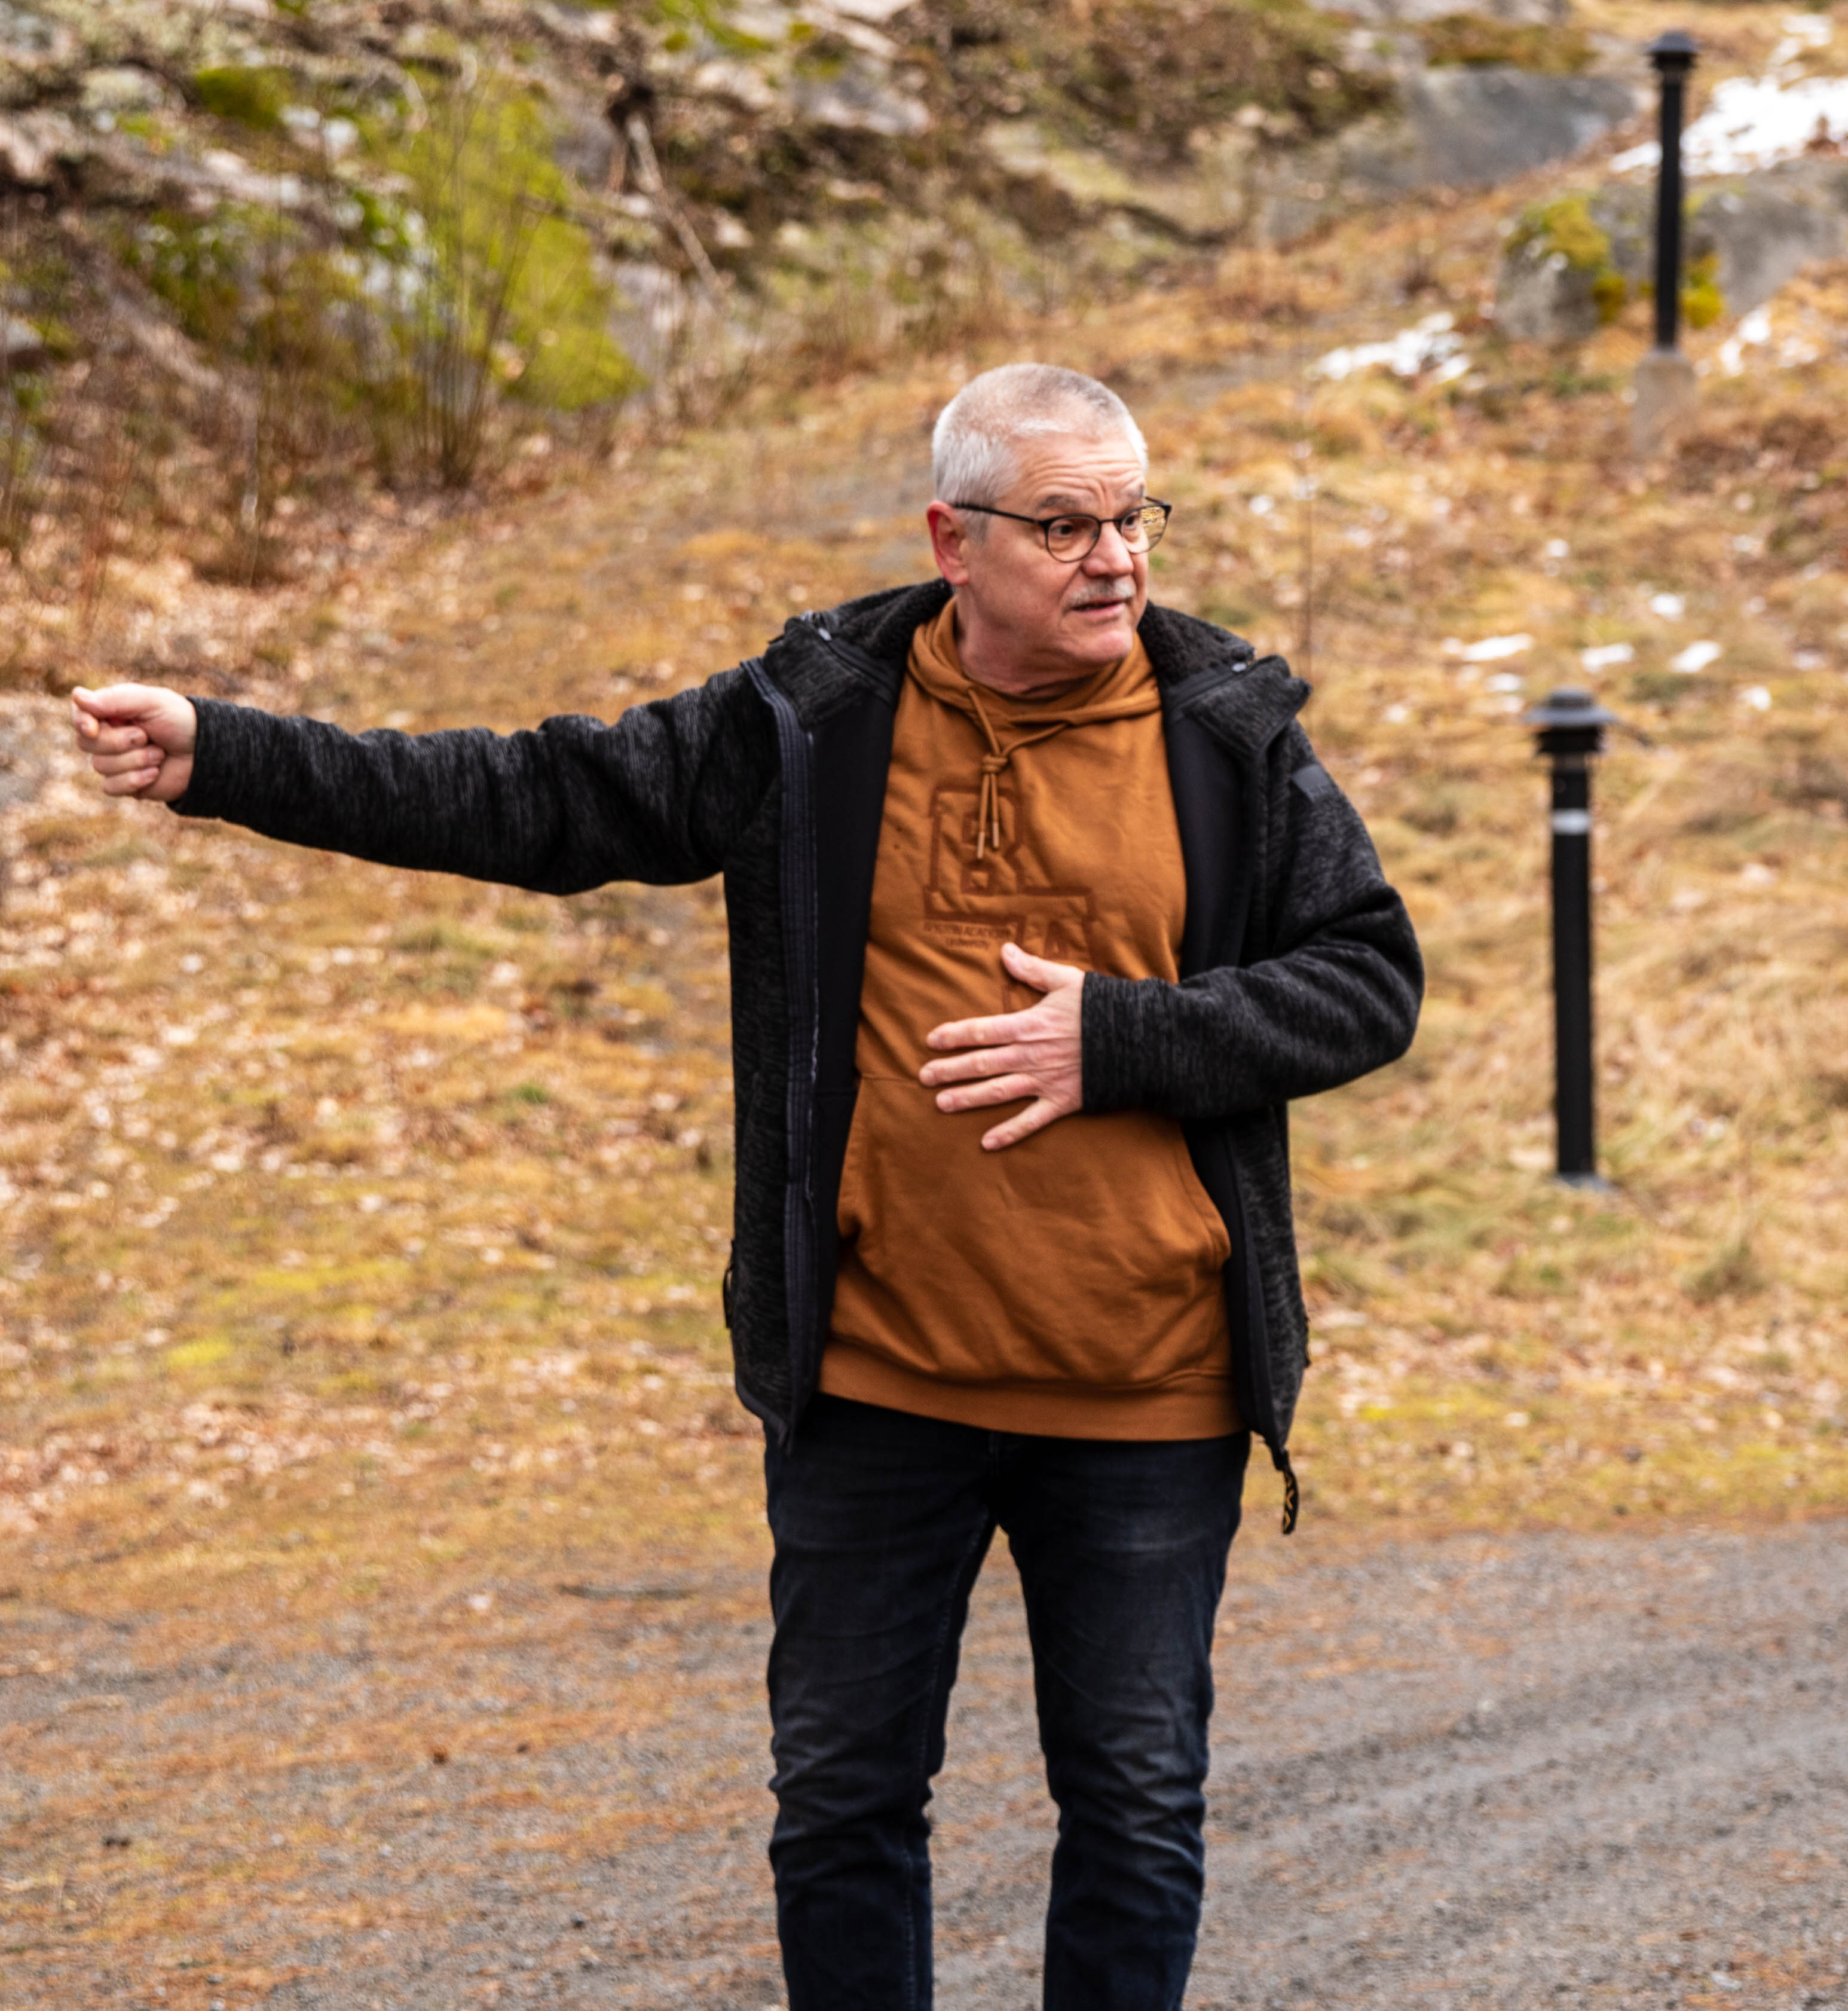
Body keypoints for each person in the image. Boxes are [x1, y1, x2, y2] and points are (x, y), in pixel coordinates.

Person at [69, 363, 1425, 2011]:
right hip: (875, 1381)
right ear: (953, 538)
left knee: (1133, 1812)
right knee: (843, 1807)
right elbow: (537, 796)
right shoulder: (817, 720)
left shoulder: (1222, 738)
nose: (1114, 558)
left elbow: (1369, 979)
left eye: (1134, 516)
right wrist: (228, 753)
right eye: (1064, 523)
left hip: (1145, 1390)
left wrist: (1124, 1037)